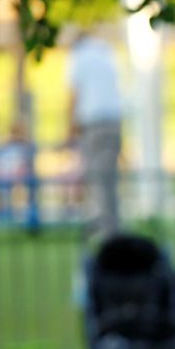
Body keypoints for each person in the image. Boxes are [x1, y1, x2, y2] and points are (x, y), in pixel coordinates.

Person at [66, 28, 124, 241]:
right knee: (108, 177)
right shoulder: (106, 53)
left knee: (97, 177)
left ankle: (108, 230)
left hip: (93, 123)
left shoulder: (79, 57)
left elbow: (74, 94)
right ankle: (111, 225)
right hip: (113, 121)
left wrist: (69, 127)